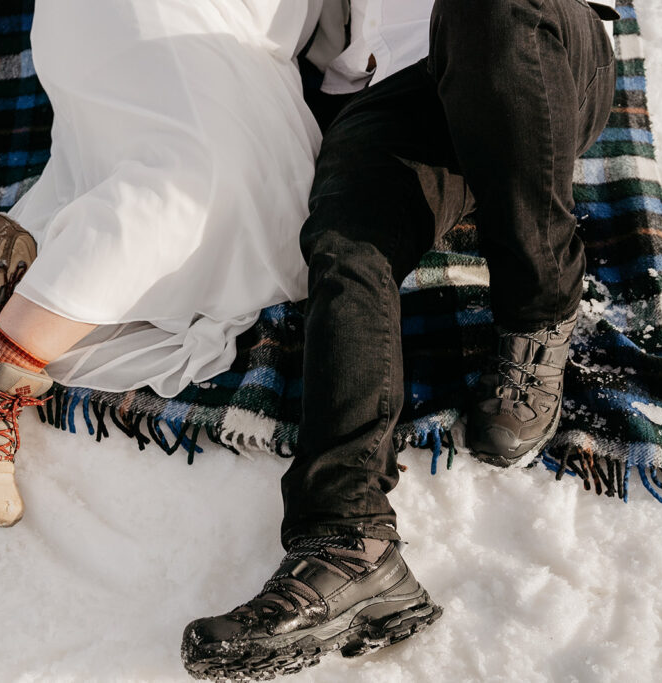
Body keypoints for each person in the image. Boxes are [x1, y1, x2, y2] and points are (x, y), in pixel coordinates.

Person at [180, 0, 618, 679]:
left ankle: (539, 314)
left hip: (535, 43)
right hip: (393, 93)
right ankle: (348, 542)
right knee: (346, 240)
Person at [0, 1, 330, 526]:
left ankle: (13, 255)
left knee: (285, 221)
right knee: (195, 190)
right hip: (169, 23)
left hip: (225, 43)